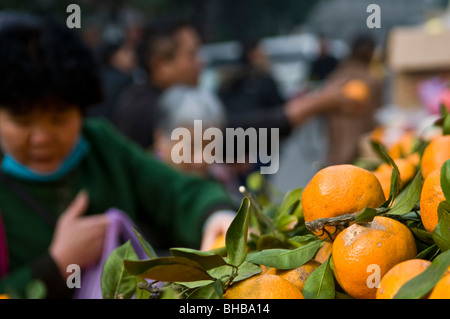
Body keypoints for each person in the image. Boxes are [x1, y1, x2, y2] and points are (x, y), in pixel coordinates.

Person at [0, 12, 236, 299]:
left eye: (59, 118)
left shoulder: (101, 145)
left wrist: (217, 217)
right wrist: (57, 264)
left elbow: (176, 192)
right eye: (23, 122)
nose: (42, 138)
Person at [113, 17, 361, 152]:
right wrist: (316, 103)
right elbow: (234, 134)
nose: (201, 63)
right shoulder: (146, 110)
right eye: (191, 55)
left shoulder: (172, 100)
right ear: (160, 65)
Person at [153, 85, 242, 202]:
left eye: (210, 146)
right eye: (192, 145)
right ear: (161, 140)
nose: (201, 159)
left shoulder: (221, 178)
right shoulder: (149, 184)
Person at [324, 33, 383, 166]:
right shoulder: (372, 79)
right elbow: (377, 112)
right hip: (361, 133)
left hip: (338, 134)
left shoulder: (337, 75)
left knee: (338, 170)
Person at [218, 37, 285, 113]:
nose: (266, 54)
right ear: (252, 54)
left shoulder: (228, 81)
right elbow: (281, 109)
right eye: (261, 51)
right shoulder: (264, 82)